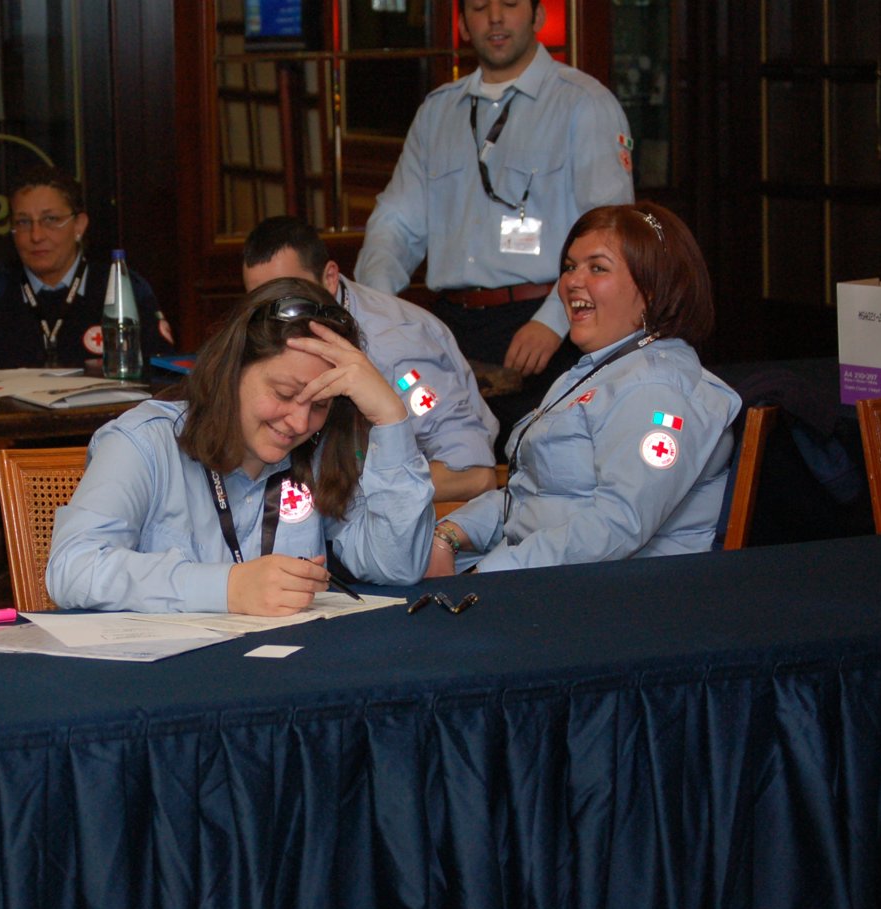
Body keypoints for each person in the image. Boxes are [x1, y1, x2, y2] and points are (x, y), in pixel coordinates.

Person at [46, 277, 435, 615]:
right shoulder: (144, 442)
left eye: (319, 405)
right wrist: (226, 587)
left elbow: (397, 567)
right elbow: (72, 569)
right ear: (232, 370)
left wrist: (391, 418)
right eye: (284, 393)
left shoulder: (318, 450)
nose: (299, 423)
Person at [353, 0, 634, 449]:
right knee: (450, 466)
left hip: (545, 326)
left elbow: (612, 232)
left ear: (539, 17)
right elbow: (396, 224)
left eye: (510, 4)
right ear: (464, 26)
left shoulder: (584, 103)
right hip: (448, 330)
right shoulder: (438, 111)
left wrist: (554, 320)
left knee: (537, 472)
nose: (496, 18)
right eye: (480, 8)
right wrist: (375, 314)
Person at [427, 202, 741, 577]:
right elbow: (533, 497)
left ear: (653, 289)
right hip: (542, 581)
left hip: (617, 604)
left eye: (597, 268)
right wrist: (450, 533)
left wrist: (489, 575)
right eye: (570, 267)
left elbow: (617, 524)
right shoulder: (601, 370)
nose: (572, 281)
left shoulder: (655, 389)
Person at [242, 215, 498, 502]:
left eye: (288, 294)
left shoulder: (395, 348)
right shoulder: (264, 330)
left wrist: (348, 499)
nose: (272, 313)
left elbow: (474, 474)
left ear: (328, 279)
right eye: (259, 300)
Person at [0, 164, 176, 379]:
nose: (36, 236)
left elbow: (163, 374)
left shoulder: (121, 288)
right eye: (23, 222)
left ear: (79, 225)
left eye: (51, 220)